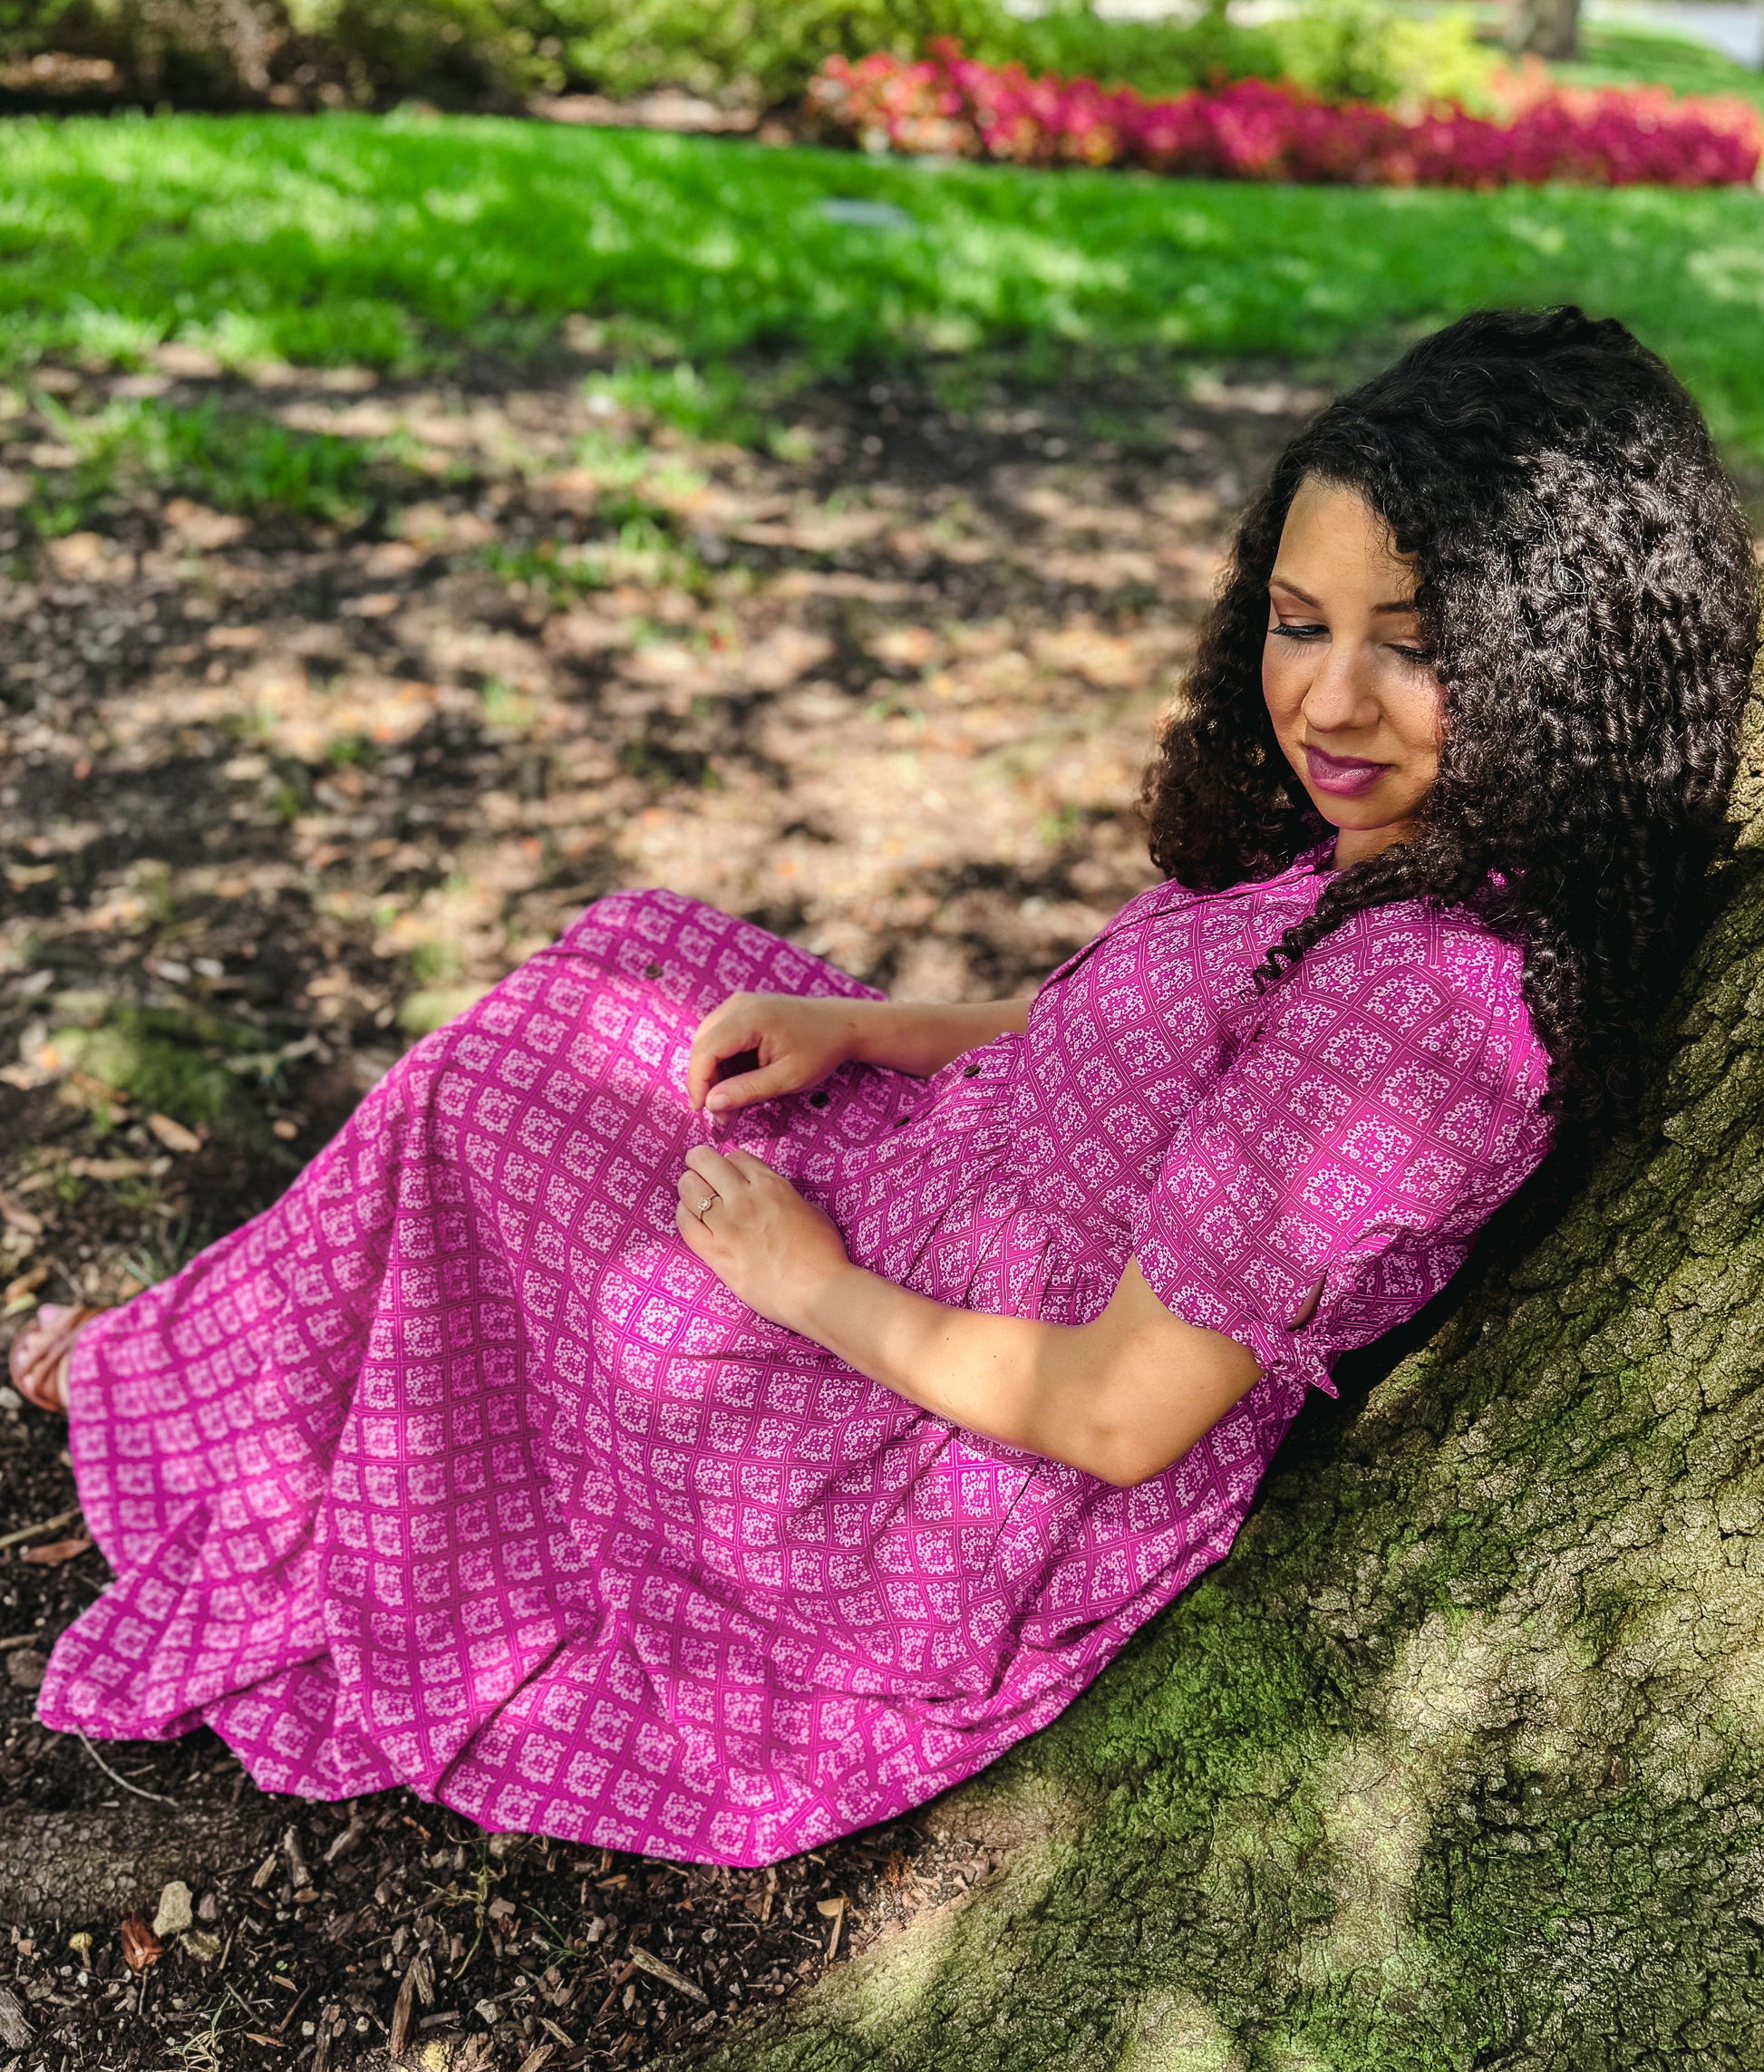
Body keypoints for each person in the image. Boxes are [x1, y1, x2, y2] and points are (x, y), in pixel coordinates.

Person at [11, 308, 1756, 1865]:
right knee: (616, 972)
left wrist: (805, 1284)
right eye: (1298, 623)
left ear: (1563, 664)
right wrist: (880, 1033)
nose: (1330, 697)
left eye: (1415, 644)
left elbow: (1116, 1412)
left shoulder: (1428, 1010)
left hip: (927, 1457)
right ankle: (215, 1385)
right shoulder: (1399, 853)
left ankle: (192, 1406)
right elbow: (1139, 1041)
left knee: (495, 1108)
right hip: (951, 1201)